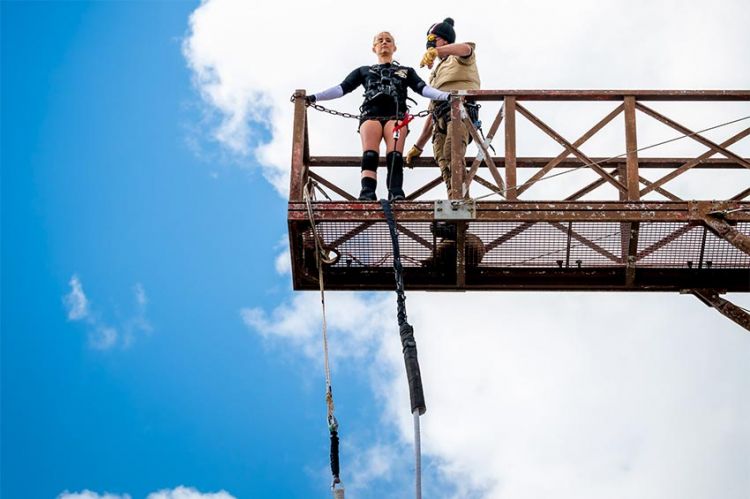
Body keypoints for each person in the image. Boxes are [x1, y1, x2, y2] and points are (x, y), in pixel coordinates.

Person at [305, 31, 449, 201]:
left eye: (388, 40)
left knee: (394, 155)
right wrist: (314, 97)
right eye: (380, 40)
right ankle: (367, 192)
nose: (384, 43)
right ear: (374, 48)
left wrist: (446, 96)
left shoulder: (406, 71)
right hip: (370, 115)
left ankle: (395, 192)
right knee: (370, 154)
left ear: (394, 47)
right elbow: (341, 88)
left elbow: (422, 88)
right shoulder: (363, 71)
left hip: (396, 117)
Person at [405, 18, 481, 198]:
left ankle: (460, 204)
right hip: (439, 119)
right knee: (443, 161)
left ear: (445, 40)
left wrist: (437, 50)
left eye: (434, 40)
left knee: (452, 155)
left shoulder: (460, 57)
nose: (429, 45)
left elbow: (466, 49)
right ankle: (455, 199)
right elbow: (432, 109)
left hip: (459, 114)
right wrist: (419, 145)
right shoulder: (436, 72)